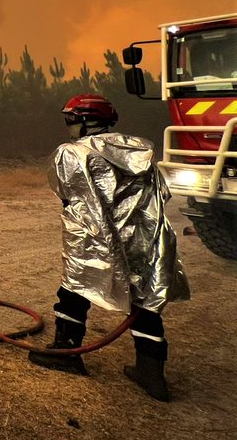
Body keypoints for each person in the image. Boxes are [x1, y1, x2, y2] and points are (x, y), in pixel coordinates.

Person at [28, 93, 190, 401]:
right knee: (144, 299)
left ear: (88, 122)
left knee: (75, 289)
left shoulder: (72, 153)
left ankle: (66, 352)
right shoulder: (140, 152)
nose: (69, 128)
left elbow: (67, 194)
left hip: (95, 235)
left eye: (72, 121)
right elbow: (161, 195)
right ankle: (151, 373)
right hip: (142, 239)